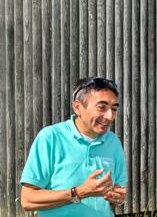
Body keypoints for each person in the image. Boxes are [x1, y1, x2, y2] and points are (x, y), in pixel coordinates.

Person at [20, 77, 128, 217]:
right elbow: (27, 200)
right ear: (78, 107)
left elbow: (120, 188)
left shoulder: (113, 142)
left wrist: (117, 197)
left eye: (114, 109)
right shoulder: (50, 138)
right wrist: (79, 192)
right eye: (102, 107)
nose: (109, 116)